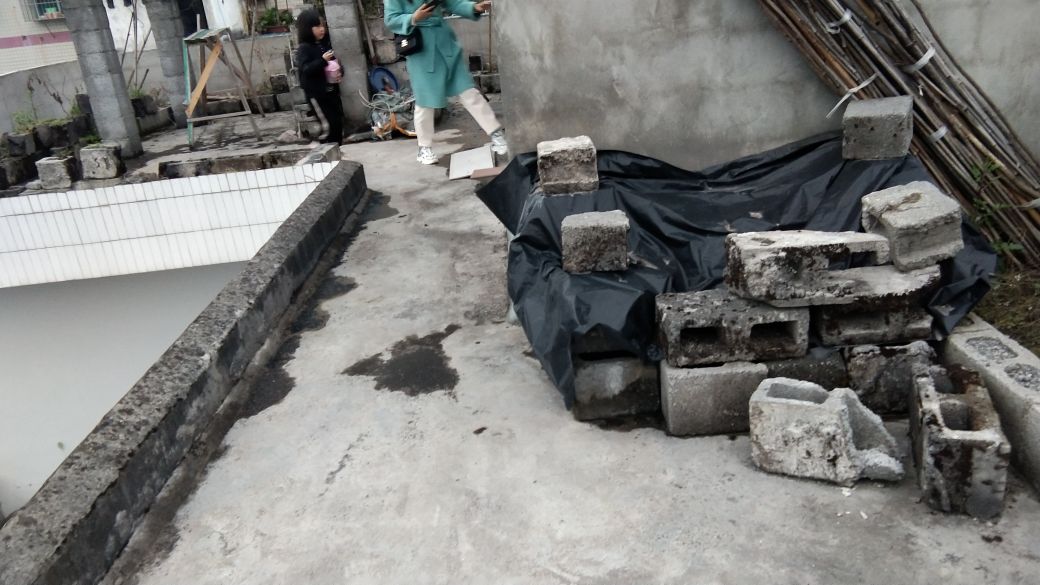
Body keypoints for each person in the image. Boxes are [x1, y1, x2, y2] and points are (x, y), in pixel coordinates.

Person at [385, 0, 508, 165]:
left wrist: (473, 8)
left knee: (468, 91)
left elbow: (452, 3)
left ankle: (496, 133)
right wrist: (413, 18)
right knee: (425, 101)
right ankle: (424, 147)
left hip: (446, 44)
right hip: (421, 50)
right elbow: (391, 19)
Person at [296, 9, 345, 144]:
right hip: (317, 95)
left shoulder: (324, 45)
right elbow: (306, 69)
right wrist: (322, 60)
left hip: (331, 92)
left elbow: (334, 64)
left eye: (322, 25)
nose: (322, 29)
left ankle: (337, 150)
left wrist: (340, 72)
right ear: (307, 29)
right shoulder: (304, 49)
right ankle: (323, 150)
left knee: (337, 123)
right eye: (317, 26)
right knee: (328, 126)